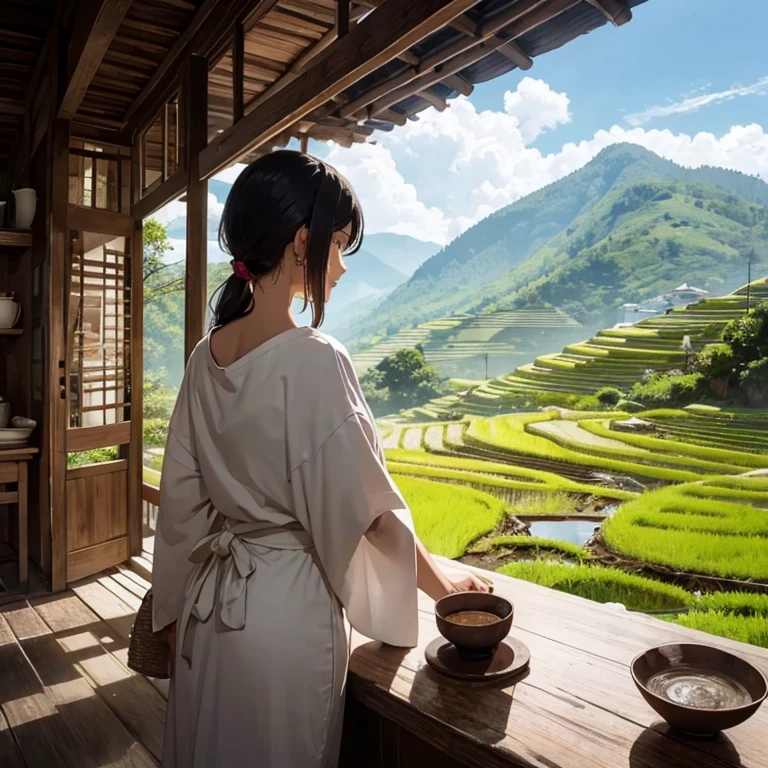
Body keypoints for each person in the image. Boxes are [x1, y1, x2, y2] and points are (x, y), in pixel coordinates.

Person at [151, 150, 489, 768]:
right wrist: (447, 588)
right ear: (302, 242)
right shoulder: (314, 359)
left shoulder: (206, 356)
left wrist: (172, 610)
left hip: (208, 612)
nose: (342, 267)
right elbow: (368, 511)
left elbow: (181, 507)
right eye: (338, 245)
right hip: (284, 619)